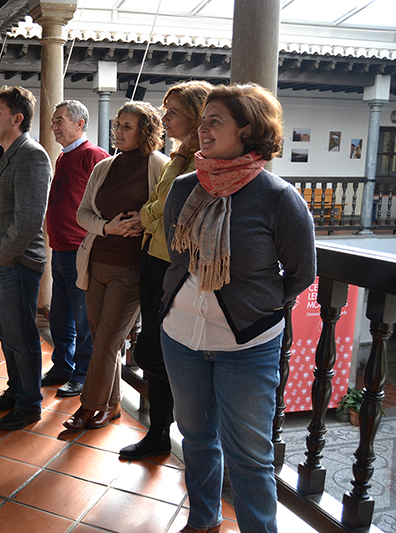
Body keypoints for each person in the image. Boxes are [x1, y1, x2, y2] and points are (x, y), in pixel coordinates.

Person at [161, 84, 315, 533]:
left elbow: (301, 273)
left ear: (247, 130)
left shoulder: (278, 197)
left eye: (215, 121)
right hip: (181, 336)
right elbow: (177, 254)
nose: (202, 130)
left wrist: (258, 307)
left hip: (248, 343)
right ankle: (203, 519)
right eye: (202, 120)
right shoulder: (185, 187)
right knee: (195, 438)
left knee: (249, 454)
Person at [118, 81, 213, 460]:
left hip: (176, 266)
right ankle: (158, 431)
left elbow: (164, 206)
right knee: (155, 347)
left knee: (158, 351)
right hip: (153, 258)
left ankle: (180, 429)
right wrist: (149, 214)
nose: (166, 117)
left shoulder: (199, 159)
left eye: (173, 111)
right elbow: (159, 202)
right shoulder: (177, 155)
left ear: (195, 114)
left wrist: (144, 216)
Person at [64, 101, 167, 432]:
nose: (118, 131)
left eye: (127, 126)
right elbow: (83, 214)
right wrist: (109, 227)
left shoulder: (159, 166)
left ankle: (87, 407)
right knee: (102, 340)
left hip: (132, 269)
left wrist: (141, 221)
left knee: (107, 342)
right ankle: (113, 404)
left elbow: (165, 214)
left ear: (145, 131)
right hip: (95, 264)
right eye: (117, 125)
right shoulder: (103, 168)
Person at [0, 86, 52, 431]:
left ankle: (29, 403)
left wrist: (2, 256)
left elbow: (28, 220)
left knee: (21, 335)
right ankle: (15, 390)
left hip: (16, 262)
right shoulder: (5, 153)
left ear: (16, 118)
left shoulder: (31, 155)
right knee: (7, 332)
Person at [42, 100, 109, 398]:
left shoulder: (93, 155)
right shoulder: (63, 156)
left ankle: (82, 374)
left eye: (60, 120)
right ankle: (62, 366)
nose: (54, 125)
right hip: (60, 250)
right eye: (54, 120)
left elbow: (105, 199)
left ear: (80, 124)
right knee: (60, 316)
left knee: (83, 319)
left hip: (81, 251)